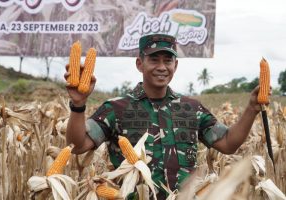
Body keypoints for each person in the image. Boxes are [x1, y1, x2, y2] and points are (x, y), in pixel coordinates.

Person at [65, 34, 265, 199]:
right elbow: (78, 145)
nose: (162, 67)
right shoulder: (116, 108)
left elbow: (229, 144)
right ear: (139, 64)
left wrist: (251, 108)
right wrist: (78, 104)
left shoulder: (191, 108)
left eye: (167, 60)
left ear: (175, 65)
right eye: (154, 59)